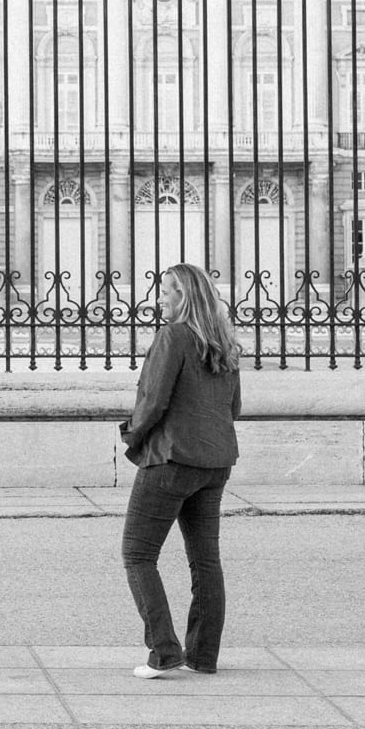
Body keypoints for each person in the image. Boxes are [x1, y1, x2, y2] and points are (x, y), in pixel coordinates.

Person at [119, 263, 242, 679]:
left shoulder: (172, 336)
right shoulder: (224, 341)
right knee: (205, 560)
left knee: (137, 554)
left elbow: (152, 401)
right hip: (215, 461)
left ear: (184, 297)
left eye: (166, 291)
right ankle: (203, 656)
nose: (159, 298)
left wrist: (132, 436)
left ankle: (164, 649)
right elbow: (234, 407)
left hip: (172, 459)